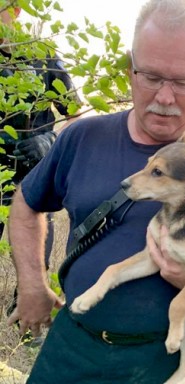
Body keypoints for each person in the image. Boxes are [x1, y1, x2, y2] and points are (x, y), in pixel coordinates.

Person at [7, 0, 185, 384]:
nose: (166, 97)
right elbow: (26, 203)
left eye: (183, 81)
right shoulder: (81, 139)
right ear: (130, 67)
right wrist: (32, 284)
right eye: (151, 76)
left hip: (161, 363)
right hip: (72, 345)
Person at [2, 5, 78, 322]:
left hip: (31, 175)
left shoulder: (41, 52)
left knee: (35, 255)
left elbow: (74, 112)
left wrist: (49, 143)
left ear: (16, 10)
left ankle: (30, 317)